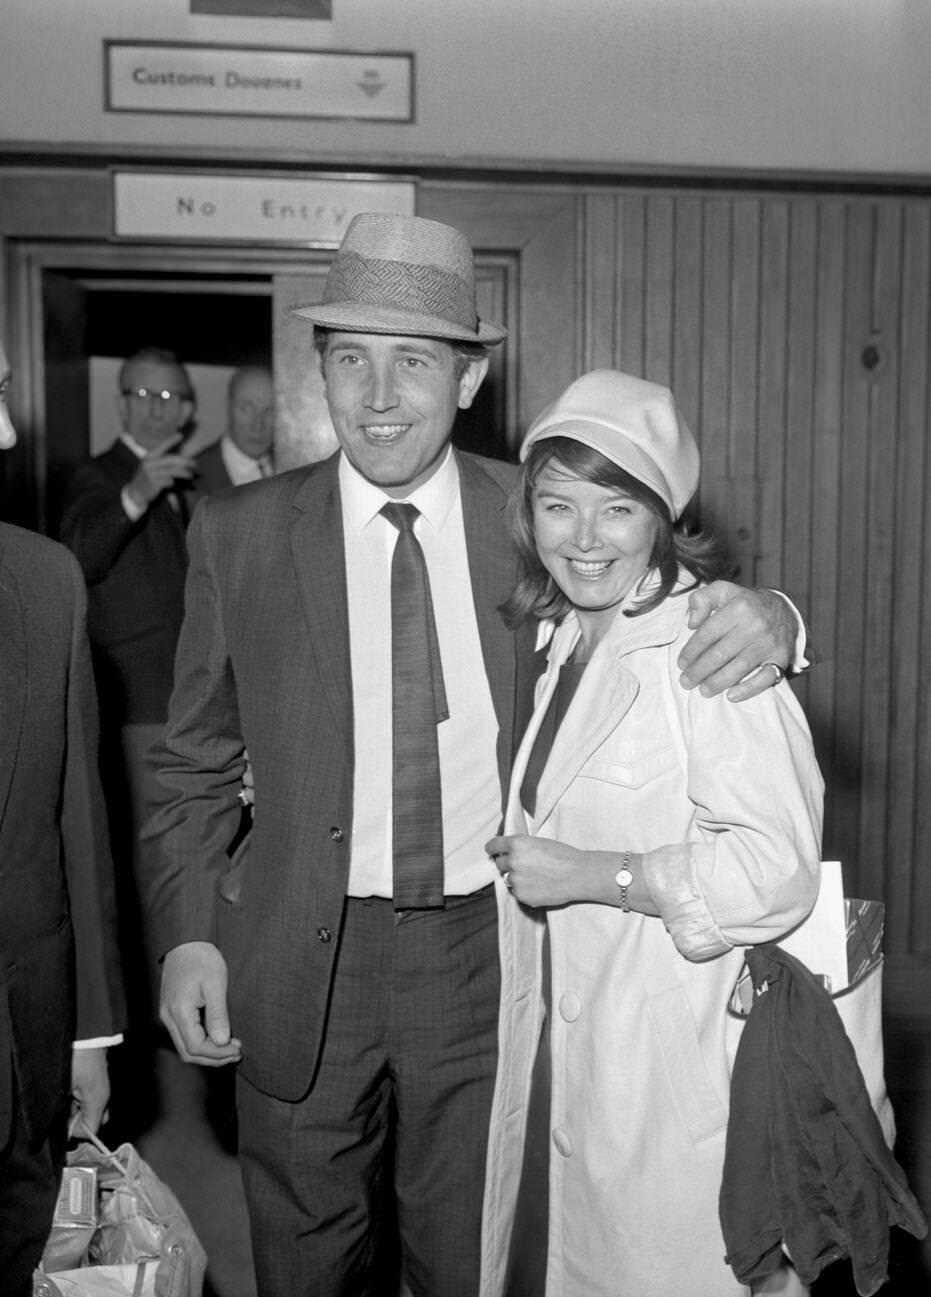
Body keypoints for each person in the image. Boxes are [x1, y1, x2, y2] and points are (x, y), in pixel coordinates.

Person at [140, 213, 801, 1297]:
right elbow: (194, 760)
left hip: (484, 956)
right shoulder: (239, 534)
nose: (380, 394)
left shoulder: (533, 518)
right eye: (350, 358)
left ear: (469, 376)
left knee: (472, 1259)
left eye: (414, 361)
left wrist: (776, 617)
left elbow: (666, 597)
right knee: (304, 1263)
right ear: (320, 370)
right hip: (300, 952)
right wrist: (186, 939)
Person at [484, 369, 823, 1296]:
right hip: (571, 1049)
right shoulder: (564, 639)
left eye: (617, 510)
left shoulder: (710, 647)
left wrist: (598, 875)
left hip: (674, 1070)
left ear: (660, 520)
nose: (583, 538)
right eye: (558, 505)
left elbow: (777, 871)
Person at [0, 338, 126, 1294]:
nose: (7, 433)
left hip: (24, 1041)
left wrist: (87, 1032)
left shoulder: (45, 581)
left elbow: (76, 826)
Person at [59, 346, 196, 1133]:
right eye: (142, 392)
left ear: (184, 408)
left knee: (179, 866)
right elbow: (74, 557)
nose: (156, 406)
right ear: (121, 401)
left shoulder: (189, 479)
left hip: (185, 712)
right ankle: (135, 1036)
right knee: (145, 876)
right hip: (135, 711)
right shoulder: (97, 475)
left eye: (170, 395)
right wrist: (136, 492)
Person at [193, 363, 275, 494]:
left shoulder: (294, 468)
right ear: (228, 406)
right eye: (246, 409)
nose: (258, 425)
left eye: (270, 411)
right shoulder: (194, 477)